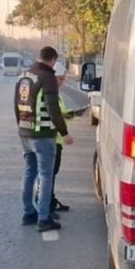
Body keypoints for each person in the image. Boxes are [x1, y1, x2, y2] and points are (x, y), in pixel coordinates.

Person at [14, 47, 73, 232]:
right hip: (43, 134)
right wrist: (64, 133)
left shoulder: (24, 76)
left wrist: (21, 126)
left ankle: (28, 213)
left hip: (25, 132)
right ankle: (44, 218)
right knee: (46, 175)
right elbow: (52, 107)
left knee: (29, 173)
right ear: (53, 60)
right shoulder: (47, 77)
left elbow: (16, 105)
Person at [51, 61, 71, 213]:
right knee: (48, 174)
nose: (62, 82)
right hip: (52, 139)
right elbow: (54, 115)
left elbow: (60, 114)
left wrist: (71, 115)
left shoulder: (57, 95)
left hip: (56, 139)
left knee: (51, 173)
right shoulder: (50, 93)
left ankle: (50, 199)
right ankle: (47, 203)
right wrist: (65, 134)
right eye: (60, 79)